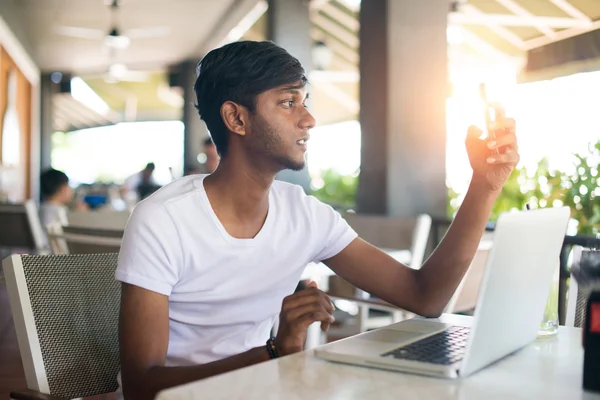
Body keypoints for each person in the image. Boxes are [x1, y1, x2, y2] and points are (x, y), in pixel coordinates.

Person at [116, 41, 519, 400]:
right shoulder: (163, 220)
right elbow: (141, 387)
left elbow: (425, 295)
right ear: (237, 119)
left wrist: (483, 186)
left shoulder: (303, 214)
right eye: (289, 102)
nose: (308, 119)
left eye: (305, 101)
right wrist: (274, 352)